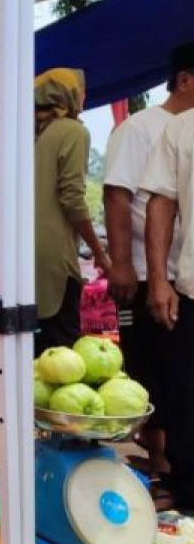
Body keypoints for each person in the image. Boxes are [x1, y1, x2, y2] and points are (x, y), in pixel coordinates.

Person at [103, 45, 194, 487]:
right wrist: (123, 264)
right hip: (144, 272)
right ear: (184, 78)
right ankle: (161, 462)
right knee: (151, 366)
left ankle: (166, 462)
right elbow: (118, 196)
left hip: (178, 269)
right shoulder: (141, 129)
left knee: (172, 368)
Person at [140, 42, 194, 511]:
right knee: (185, 396)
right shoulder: (181, 129)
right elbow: (160, 202)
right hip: (191, 286)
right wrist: (158, 278)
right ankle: (187, 491)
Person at [33, 68, 110, 356]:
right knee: (61, 352)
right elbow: (73, 200)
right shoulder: (72, 130)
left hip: (22, 256)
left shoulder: (31, 133)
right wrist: (99, 253)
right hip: (55, 257)